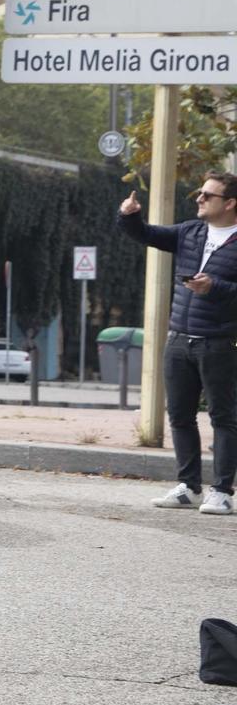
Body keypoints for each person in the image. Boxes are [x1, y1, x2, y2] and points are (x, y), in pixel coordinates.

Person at [119, 175, 237, 515]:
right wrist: (129, 216)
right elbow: (146, 234)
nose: (199, 198)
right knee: (180, 416)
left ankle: (222, 491)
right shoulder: (190, 232)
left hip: (220, 341)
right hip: (179, 340)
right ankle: (188, 486)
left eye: (208, 195)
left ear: (229, 203)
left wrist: (214, 287)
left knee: (223, 418)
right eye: (199, 192)